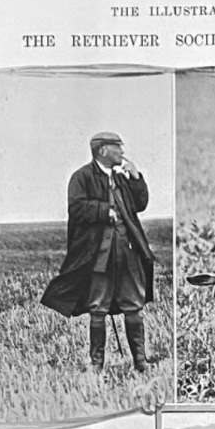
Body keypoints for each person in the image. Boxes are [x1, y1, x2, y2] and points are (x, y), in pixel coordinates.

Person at [41, 130, 155, 373]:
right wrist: (105, 211)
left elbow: (141, 204)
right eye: (118, 147)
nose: (123, 152)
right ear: (103, 150)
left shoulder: (122, 178)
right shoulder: (80, 177)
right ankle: (96, 365)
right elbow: (77, 207)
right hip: (98, 255)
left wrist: (136, 178)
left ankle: (141, 362)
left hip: (127, 253)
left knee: (133, 305)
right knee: (98, 308)